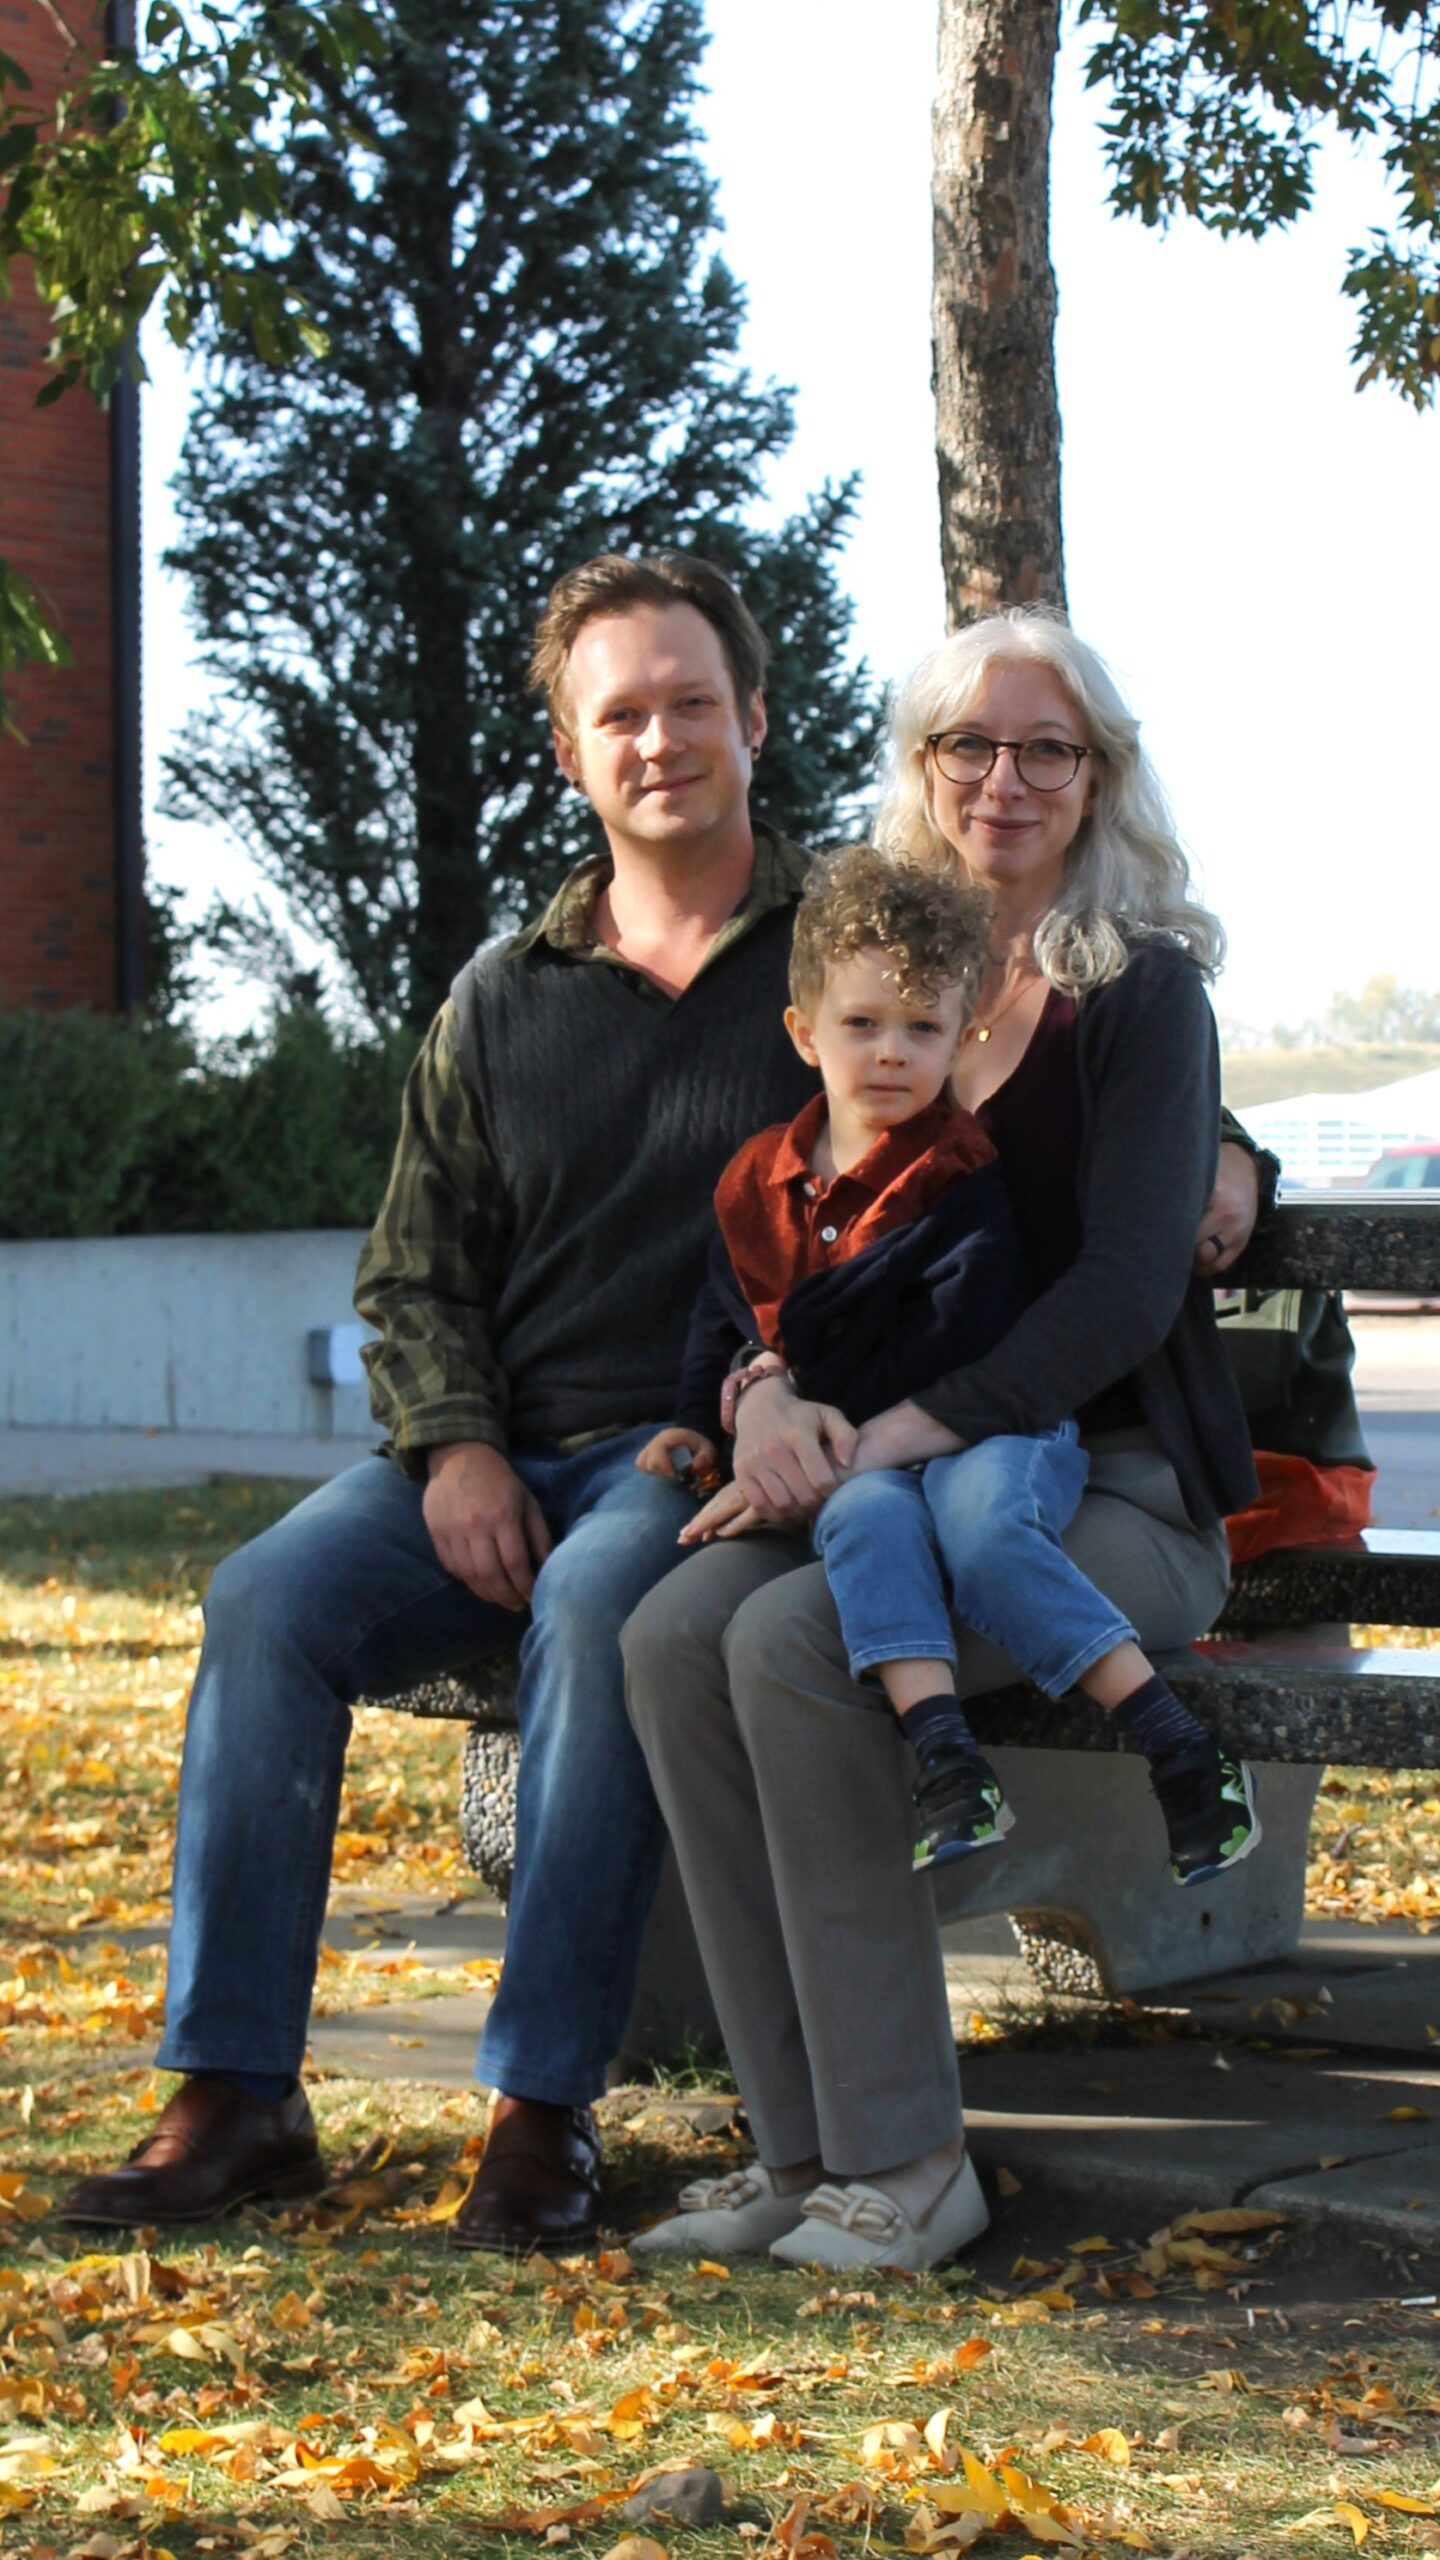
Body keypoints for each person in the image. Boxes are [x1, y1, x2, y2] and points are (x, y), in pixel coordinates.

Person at [57, 550, 822, 2252]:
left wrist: (1216, 1146)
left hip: (695, 1454)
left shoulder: (838, 961)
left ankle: (544, 2110)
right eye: (618, 712)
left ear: (754, 719)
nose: (660, 740)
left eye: (692, 703)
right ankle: (238, 2091)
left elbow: (981, 1145)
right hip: (502, 1439)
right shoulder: (499, 997)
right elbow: (413, 1275)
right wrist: (459, 1445)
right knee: (266, 1596)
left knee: (602, 1599)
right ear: (569, 749)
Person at [623, 605, 1266, 2275]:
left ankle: (910, 2164)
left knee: (784, 1638)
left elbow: (1127, 1285)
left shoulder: (1137, 993)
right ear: (920, 768)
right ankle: (801, 2150)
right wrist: (758, 1395)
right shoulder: (876, 977)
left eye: (1047, 747)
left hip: (1091, 1495)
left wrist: (898, 1427)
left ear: (1099, 776)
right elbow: (773, 1228)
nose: (1004, 779)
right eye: (968, 745)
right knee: (670, 1634)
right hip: (883, 1481)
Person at [639, 844, 1260, 1882]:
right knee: (861, 1525)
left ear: (956, 1039)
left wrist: (817, 1396)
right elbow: (731, 1304)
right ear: (805, 1034)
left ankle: (1176, 1741)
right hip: (875, 1462)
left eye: (920, 1031)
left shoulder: (959, 1170)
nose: (890, 1052)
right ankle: (947, 1761)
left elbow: (966, 1326)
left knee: (981, 1536)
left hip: (988, 1429)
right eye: (863, 1027)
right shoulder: (764, 1176)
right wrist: (721, 1408)